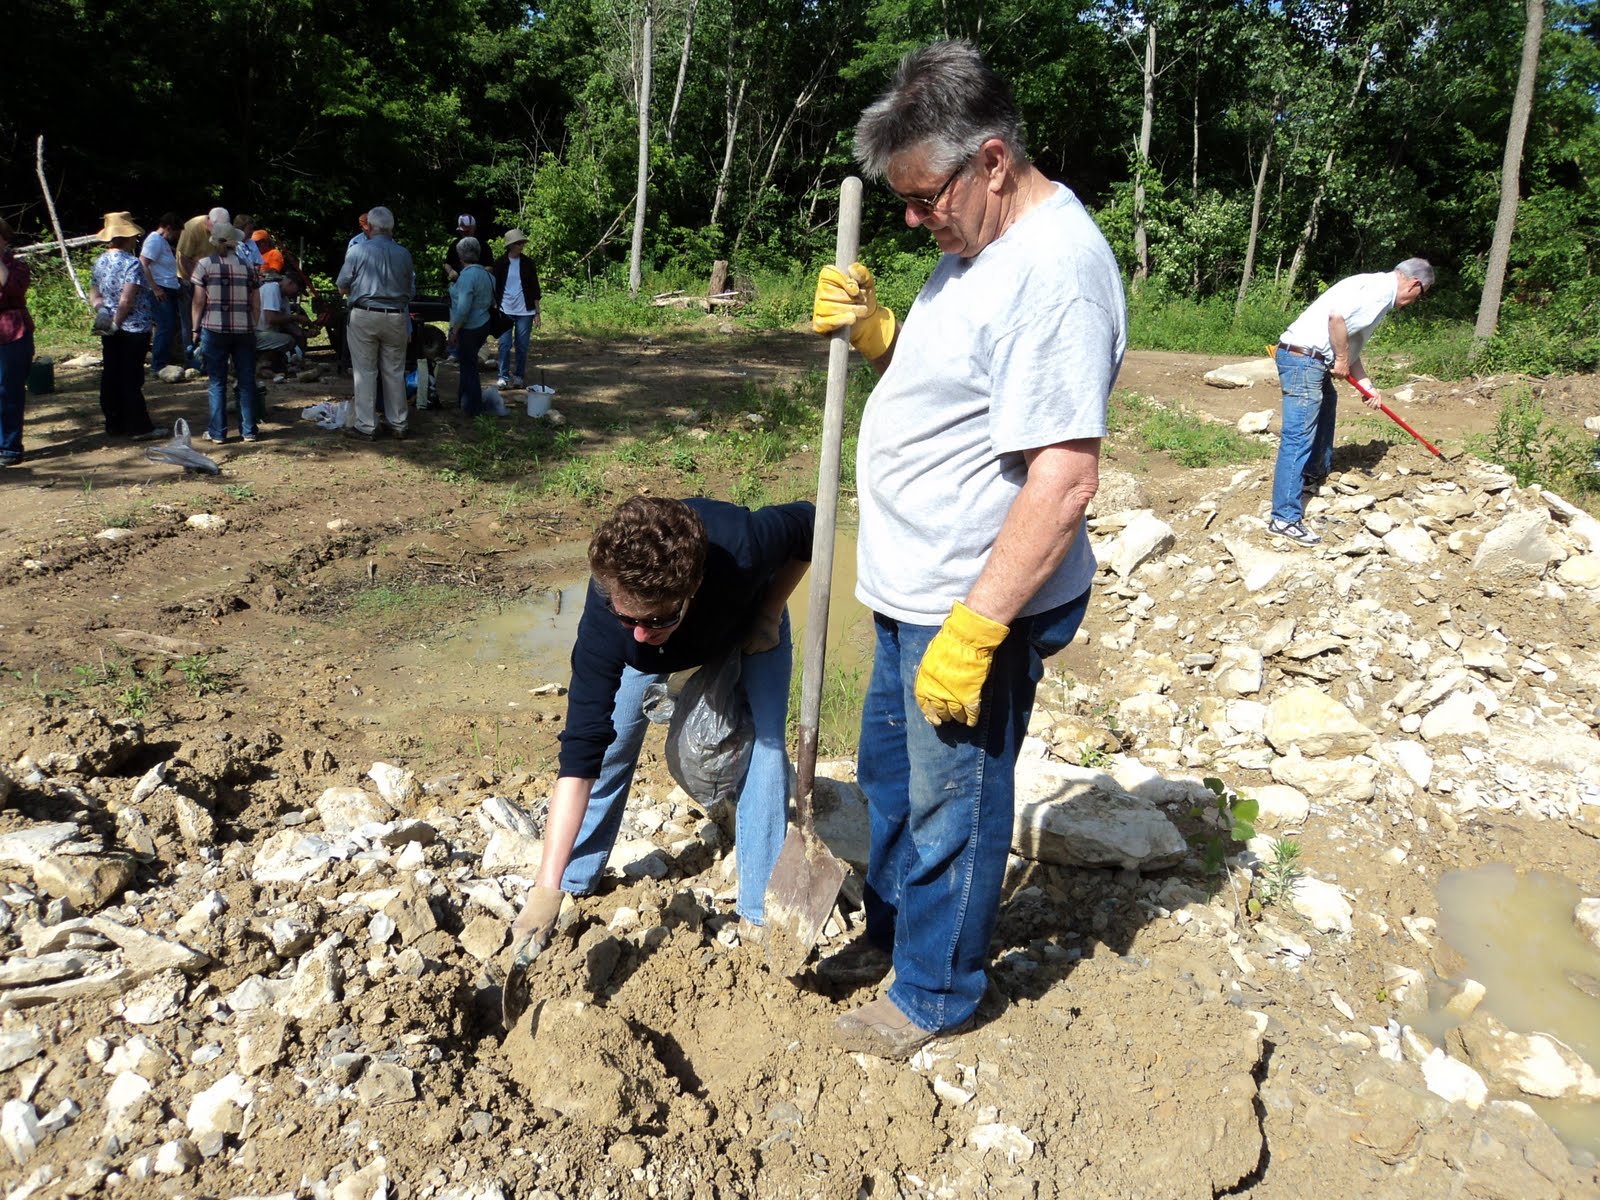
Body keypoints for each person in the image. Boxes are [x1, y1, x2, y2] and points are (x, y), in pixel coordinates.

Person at [809, 41, 1124, 1059]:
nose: (912, 219)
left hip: (967, 605)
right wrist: (879, 333)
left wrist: (978, 628)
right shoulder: (977, 248)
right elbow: (963, 381)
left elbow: (1062, 477)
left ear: (991, 160)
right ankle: (898, 939)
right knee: (897, 794)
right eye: (897, 201)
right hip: (911, 591)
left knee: (956, 808)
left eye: (922, 196)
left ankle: (934, 996)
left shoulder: (1058, 273)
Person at [504, 495, 814, 962]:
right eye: (628, 617)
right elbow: (580, 754)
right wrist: (544, 888)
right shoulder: (609, 623)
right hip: (655, 649)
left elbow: (811, 523)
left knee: (765, 749)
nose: (641, 633)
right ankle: (572, 880)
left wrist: (770, 609)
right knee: (610, 748)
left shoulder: (744, 544)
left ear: (693, 588)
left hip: (746, 622)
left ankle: (761, 915)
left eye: (657, 620)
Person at [1267, 258, 1435, 546]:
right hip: (1304, 361)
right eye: (1419, 296)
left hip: (1309, 359)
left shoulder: (1374, 286)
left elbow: (1349, 345)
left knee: (1327, 403)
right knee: (1297, 437)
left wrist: (1368, 386)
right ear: (1414, 284)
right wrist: (1341, 360)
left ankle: (1312, 474)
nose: (1412, 302)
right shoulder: (1380, 292)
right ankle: (1283, 517)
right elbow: (1336, 319)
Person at [336, 205, 415, 440]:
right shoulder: (404, 254)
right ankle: (398, 422)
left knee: (365, 371)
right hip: (396, 316)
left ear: (369, 227)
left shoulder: (357, 251)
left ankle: (367, 425)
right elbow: (410, 290)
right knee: (394, 370)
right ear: (391, 228)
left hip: (364, 313)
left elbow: (342, 285)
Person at [89, 212, 164, 441]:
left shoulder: (99, 261)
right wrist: (116, 322)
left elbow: (95, 292)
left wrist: (102, 310)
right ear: (127, 237)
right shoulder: (131, 263)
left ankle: (114, 422)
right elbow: (127, 299)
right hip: (132, 327)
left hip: (108, 324)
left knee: (111, 373)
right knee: (131, 377)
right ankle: (139, 427)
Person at [191, 221, 262, 443]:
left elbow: (198, 301)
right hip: (244, 330)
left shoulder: (204, 265)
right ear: (235, 243)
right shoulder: (248, 266)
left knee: (217, 382)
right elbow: (256, 301)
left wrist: (195, 329)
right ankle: (249, 430)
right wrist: (254, 325)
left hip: (214, 329)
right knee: (246, 380)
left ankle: (218, 432)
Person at [0, 217, 35, 466]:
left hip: (13, 333)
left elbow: (11, 289)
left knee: (8, 391)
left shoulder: (17, 267)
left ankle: (9, 447)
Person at [176, 206, 230, 368]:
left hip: (211, 280)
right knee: (190, 321)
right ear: (209, 221)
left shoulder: (221, 230)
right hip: (188, 279)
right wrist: (198, 281)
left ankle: (209, 357)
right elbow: (184, 259)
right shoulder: (192, 228)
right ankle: (191, 360)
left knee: (210, 320)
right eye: (216, 227)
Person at [447, 237, 494, 416]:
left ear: (460, 256)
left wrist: (454, 330)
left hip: (470, 326)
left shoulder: (467, 276)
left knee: (469, 366)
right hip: (484, 323)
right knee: (468, 363)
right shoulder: (487, 275)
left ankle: (473, 407)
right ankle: (464, 401)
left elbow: (463, 308)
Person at [493, 227, 541, 389]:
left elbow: (535, 288)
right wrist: (494, 308)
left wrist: (537, 312)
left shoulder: (528, 263)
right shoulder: (500, 263)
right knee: (504, 344)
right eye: (518, 243)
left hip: (525, 311)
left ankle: (519, 376)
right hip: (504, 310)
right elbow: (494, 287)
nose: (521, 246)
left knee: (522, 345)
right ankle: (503, 376)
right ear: (511, 245)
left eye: (522, 243)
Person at [139, 213, 183, 374]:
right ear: (169, 229)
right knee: (165, 325)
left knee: (169, 325)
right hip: (160, 289)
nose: (177, 237)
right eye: (177, 233)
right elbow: (143, 264)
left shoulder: (161, 242)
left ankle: (163, 360)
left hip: (169, 287)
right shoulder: (154, 240)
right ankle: (158, 364)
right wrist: (155, 288)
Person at [256, 270, 312, 380]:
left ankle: (269, 365)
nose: (298, 294)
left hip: (267, 333)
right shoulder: (272, 289)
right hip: (256, 333)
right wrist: (297, 317)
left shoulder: (284, 299)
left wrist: (303, 332)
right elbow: (271, 318)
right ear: (290, 283)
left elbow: (287, 324)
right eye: (298, 290)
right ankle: (260, 365)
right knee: (287, 340)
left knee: (291, 338)